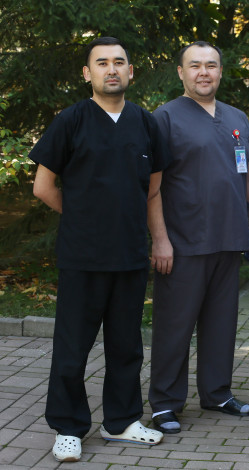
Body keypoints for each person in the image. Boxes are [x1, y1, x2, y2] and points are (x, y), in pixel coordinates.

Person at [30, 37, 167, 462]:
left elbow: (153, 189)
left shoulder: (146, 123)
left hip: (130, 255)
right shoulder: (70, 121)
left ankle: (121, 421)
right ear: (87, 73)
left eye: (119, 62)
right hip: (83, 255)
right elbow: (43, 186)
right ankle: (68, 428)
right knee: (72, 348)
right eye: (102, 62)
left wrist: (159, 239)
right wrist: (83, 217)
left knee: (127, 347)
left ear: (130, 72)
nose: (112, 69)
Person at [147, 41, 249, 434]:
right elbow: (151, 188)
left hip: (229, 238)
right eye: (195, 66)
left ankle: (217, 393)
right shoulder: (164, 118)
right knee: (174, 328)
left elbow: (247, 176)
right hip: (183, 243)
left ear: (221, 71)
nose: (204, 72)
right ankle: (164, 403)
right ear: (181, 72)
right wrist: (160, 239)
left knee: (222, 325)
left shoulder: (237, 118)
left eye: (211, 65)